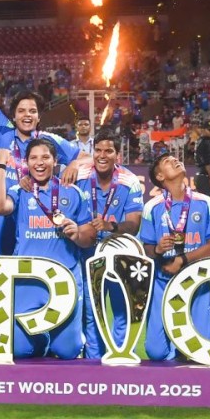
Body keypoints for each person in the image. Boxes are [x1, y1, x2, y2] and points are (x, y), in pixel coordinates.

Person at [0, 138, 95, 359]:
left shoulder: (73, 192)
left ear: (55, 161)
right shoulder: (21, 190)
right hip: (28, 282)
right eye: (34, 158)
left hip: (64, 282)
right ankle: (42, 340)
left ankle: (63, 340)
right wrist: (1, 164)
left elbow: (90, 238)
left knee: (68, 351)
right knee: (20, 350)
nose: (40, 163)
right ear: (26, 162)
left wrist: (77, 233)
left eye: (45, 157)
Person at [139, 153, 210, 361]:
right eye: (168, 162)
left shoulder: (205, 203)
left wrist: (183, 260)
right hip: (163, 283)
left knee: (202, 350)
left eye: (176, 158)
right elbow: (147, 248)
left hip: (198, 282)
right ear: (160, 176)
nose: (176, 160)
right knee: (156, 352)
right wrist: (158, 250)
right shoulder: (152, 207)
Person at [0, 88, 81, 256]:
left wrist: (74, 163)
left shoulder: (47, 139)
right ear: (13, 116)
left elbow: (86, 157)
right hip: (4, 214)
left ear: (39, 117)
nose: (27, 115)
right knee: (2, 268)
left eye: (33, 111)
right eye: (21, 111)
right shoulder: (3, 134)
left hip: (34, 216)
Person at [74, 129, 144, 358]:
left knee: (121, 307)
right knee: (91, 310)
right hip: (86, 252)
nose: (102, 155)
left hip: (118, 253)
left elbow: (134, 224)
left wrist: (110, 226)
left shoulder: (129, 181)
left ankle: (120, 356)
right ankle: (94, 359)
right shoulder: (80, 175)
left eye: (109, 151)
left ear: (118, 156)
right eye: (99, 150)